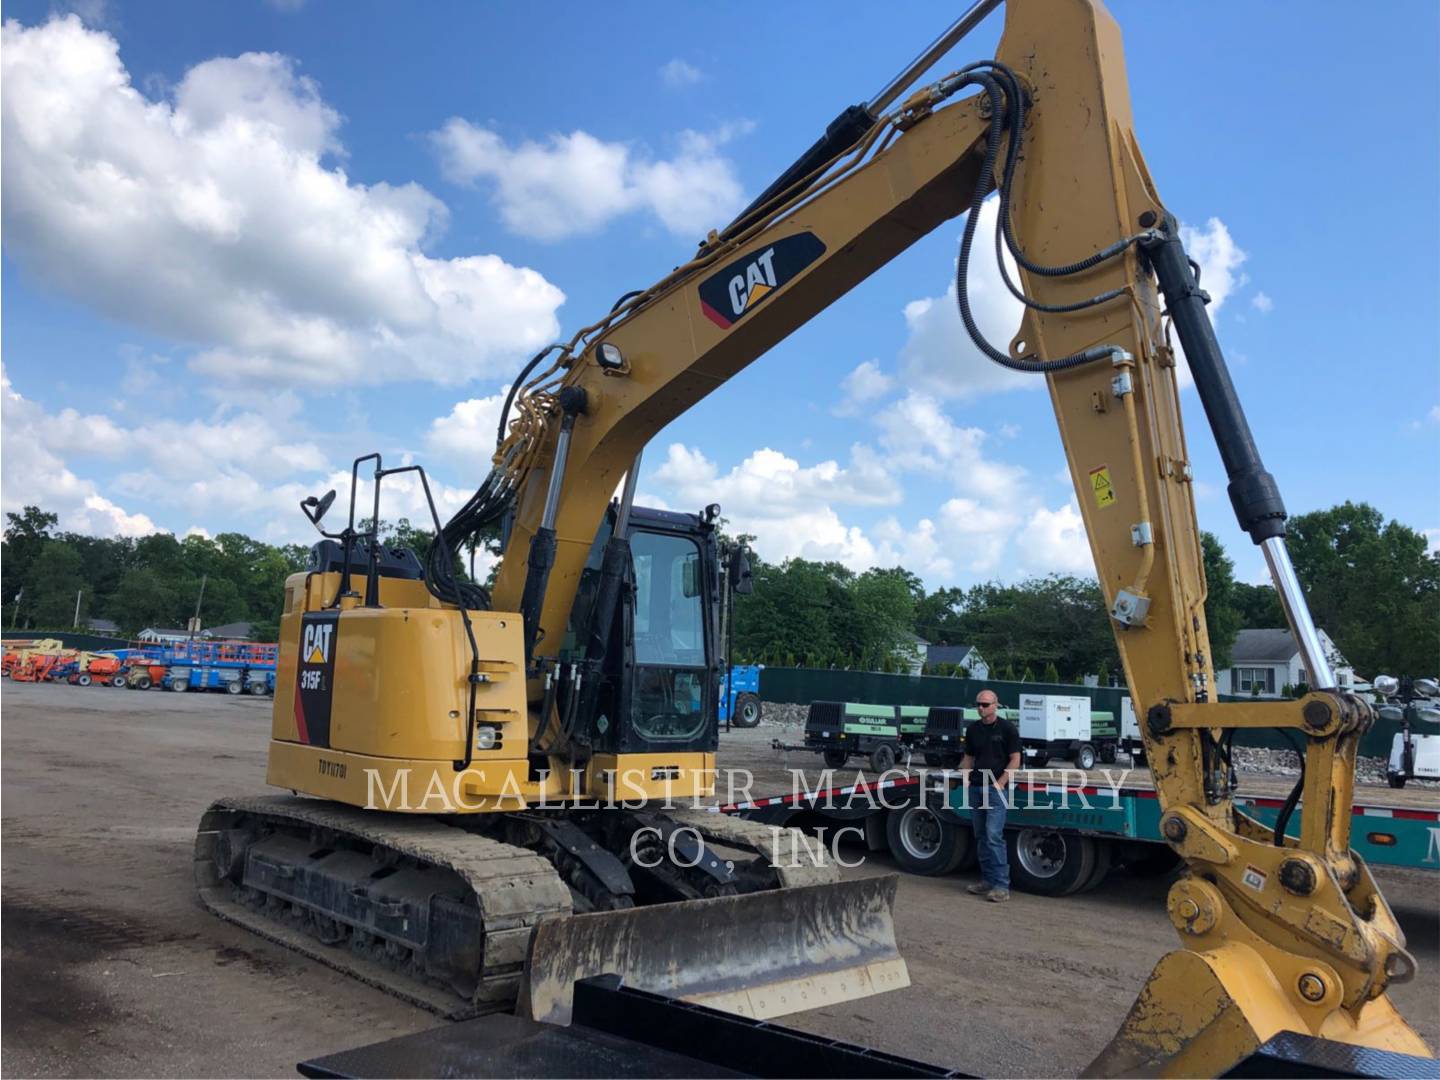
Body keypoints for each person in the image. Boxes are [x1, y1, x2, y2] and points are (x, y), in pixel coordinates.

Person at [959, 690, 1021, 901]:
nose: (980, 708)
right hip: (976, 788)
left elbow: (1015, 760)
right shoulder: (973, 730)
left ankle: (1001, 886)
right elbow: (968, 757)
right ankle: (987, 881)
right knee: (981, 836)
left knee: (994, 836)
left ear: (996, 705)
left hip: (995, 791)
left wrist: (999, 784)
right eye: (978, 704)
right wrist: (966, 780)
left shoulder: (1007, 729)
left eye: (985, 704)